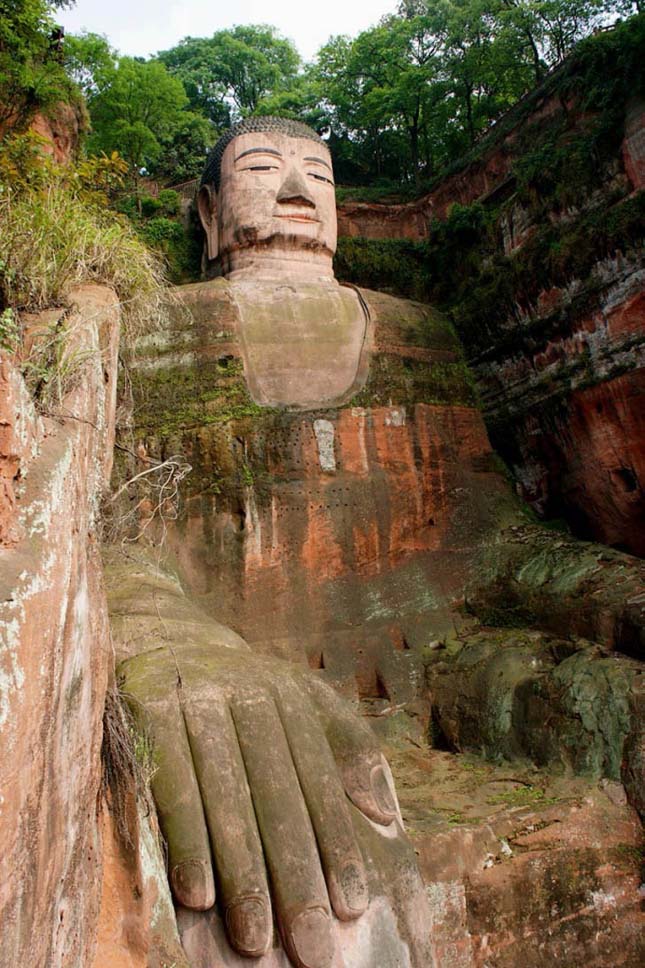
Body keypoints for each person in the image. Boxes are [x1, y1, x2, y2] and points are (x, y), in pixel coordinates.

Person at [111, 117, 644, 968]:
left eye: (317, 178)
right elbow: (111, 541)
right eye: (262, 169)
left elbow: (494, 541)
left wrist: (615, 592)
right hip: (252, 673)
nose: (294, 192)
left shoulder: (417, 330)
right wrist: (170, 643)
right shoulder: (149, 329)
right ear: (209, 213)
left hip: (445, 652)